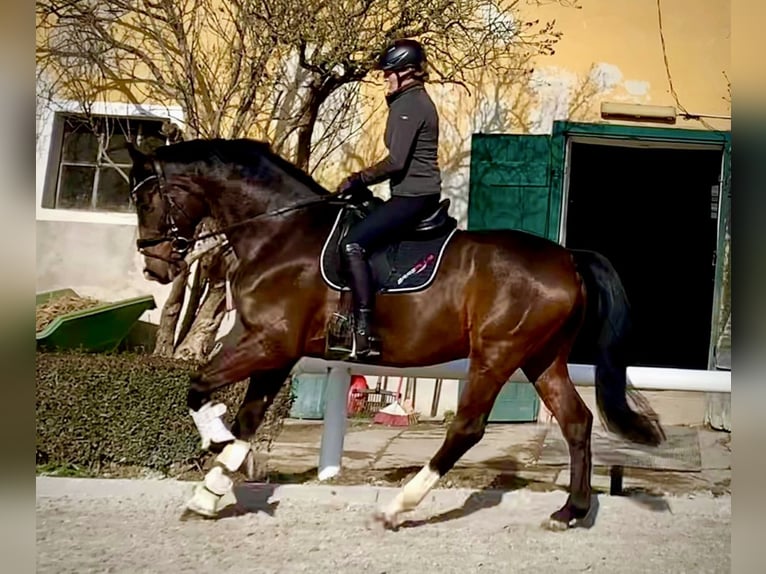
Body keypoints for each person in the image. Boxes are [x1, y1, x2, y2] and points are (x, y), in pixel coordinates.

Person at [336, 38, 443, 359]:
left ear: (406, 72)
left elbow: (396, 161)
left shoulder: (411, 105)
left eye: (388, 73)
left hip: (414, 196)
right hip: (411, 193)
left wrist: (358, 178)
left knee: (352, 244)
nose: (385, 78)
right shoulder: (409, 101)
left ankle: (365, 328)